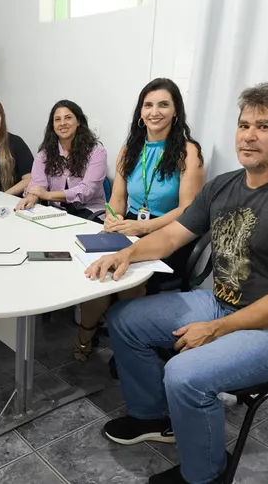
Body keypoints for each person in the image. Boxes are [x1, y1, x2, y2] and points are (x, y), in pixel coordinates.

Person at [85, 83, 268, 484]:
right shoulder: (224, 185)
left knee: (185, 373)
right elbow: (173, 235)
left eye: (264, 126)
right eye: (244, 124)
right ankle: (153, 417)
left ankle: (205, 476)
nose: (249, 135)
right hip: (224, 303)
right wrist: (128, 253)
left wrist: (216, 328)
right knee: (126, 318)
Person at [73, 78, 205, 361]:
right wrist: (112, 218)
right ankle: (86, 335)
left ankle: (130, 347)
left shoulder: (188, 151)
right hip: (130, 225)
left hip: (170, 233)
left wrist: (143, 226)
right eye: (148, 105)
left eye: (163, 105)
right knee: (94, 267)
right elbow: (117, 198)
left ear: (176, 112)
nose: (154, 111)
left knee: (127, 275)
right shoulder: (130, 148)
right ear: (140, 112)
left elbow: (188, 209)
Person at [15, 100, 107, 214]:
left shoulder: (97, 152)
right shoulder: (44, 155)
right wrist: (31, 196)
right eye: (57, 119)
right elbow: (38, 182)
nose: (62, 123)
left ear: (78, 121)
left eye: (68, 117)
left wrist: (48, 195)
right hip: (57, 212)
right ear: (53, 125)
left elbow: (86, 190)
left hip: (89, 212)